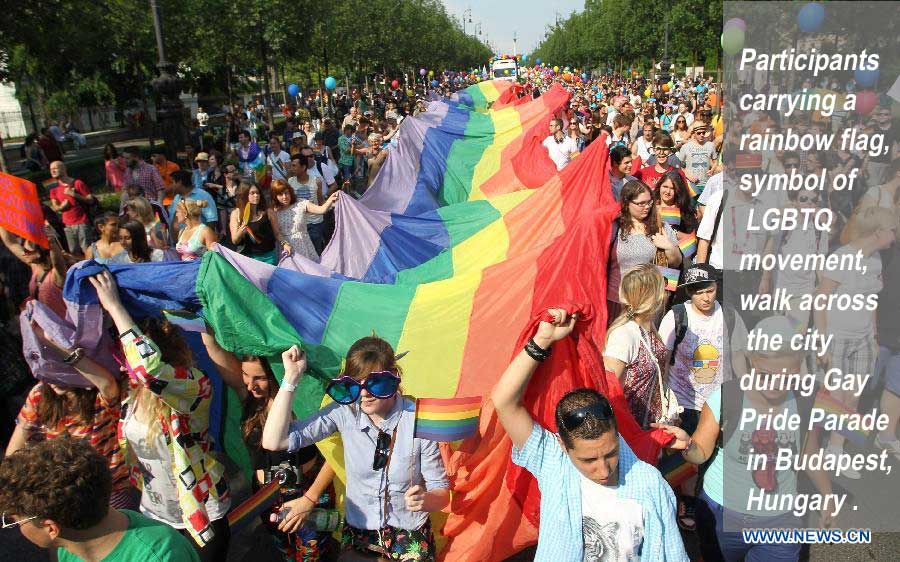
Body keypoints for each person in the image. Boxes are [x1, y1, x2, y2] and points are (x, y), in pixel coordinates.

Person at [491, 307, 688, 561]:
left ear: (618, 435)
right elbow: (504, 401)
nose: (604, 470)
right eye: (588, 460)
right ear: (563, 445)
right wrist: (542, 340)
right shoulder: (552, 462)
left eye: (610, 454)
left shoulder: (649, 483)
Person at [654, 316, 837, 562]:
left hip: (780, 519)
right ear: (752, 360)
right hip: (721, 514)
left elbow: (808, 452)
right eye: (765, 374)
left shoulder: (805, 400)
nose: (775, 384)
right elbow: (701, 452)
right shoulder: (727, 397)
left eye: (786, 375)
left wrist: (827, 495)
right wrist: (687, 443)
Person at [262, 337, 451, 561]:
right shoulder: (346, 411)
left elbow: (441, 493)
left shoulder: (418, 419)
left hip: (409, 536)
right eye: (354, 385)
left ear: (394, 378)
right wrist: (291, 378)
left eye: (374, 384)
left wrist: (426, 500)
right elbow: (275, 442)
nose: (363, 394)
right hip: (360, 534)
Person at [88, 271, 232, 560]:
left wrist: (115, 307)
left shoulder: (196, 387)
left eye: (124, 347)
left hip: (200, 515)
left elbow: (149, 370)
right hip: (154, 515)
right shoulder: (131, 393)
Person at [201, 341, 339, 561]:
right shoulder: (250, 399)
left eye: (260, 378)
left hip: (306, 493)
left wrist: (309, 499)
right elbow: (215, 350)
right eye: (246, 375)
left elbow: (336, 455)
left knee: (312, 557)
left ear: (275, 375)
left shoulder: (302, 404)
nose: (250, 385)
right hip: (267, 497)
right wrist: (203, 320)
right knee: (285, 552)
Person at [0, 438, 199, 562]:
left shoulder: (161, 555)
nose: (15, 526)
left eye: (13, 520)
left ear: (51, 528)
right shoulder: (67, 548)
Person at [814, 206, 895, 477]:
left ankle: (836, 449)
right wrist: (822, 340)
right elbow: (821, 300)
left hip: (863, 339)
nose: (894, 236)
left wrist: (873, 336)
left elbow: (871, 300)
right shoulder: (842, 258)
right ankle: (814, 449)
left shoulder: (875, 260)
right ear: (878, 232)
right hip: (837, 337)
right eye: (892, 230)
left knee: (854, 394)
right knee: (835, 396)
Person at [604, 264, 674, 430]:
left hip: (649, 432)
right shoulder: (623, 335)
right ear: (651, 296)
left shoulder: (649, 329)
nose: (665, 294)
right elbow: (607, 392)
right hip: (629, 436)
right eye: (662, 289)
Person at [607, 181, 681, 319]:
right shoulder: (615, 227)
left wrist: (669, 246)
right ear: (626, 203)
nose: (646, 207)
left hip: (649, 303)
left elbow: (676, 263)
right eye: (641, 203)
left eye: (649, 202)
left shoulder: (660, 226)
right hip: (618, 301)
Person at [271, 179, 338, 262]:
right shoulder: (273, 211)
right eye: (280, 194)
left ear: (290, 192)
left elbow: (321, 210)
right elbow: (277, 233)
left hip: (304, 247)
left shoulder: (300, 203)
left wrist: (330, 200)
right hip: (287, 250)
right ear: (275, 196)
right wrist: (284, 244)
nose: (284, 197)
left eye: (286, 193)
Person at [47, 160, 95, 257]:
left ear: (64, 169)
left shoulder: (77, 183)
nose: (53, 171)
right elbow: (55, 207)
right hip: (67, 224)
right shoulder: (52, 187)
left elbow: (90, 200)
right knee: (73, 251)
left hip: (82, 222)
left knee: (87, 249)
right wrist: (62, 207)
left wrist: (74, 195)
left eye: (55, 168)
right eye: (51, 169)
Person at [230, 181, 278, 264]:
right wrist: (240, 232)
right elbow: (234, 240)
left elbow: (277, 234)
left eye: (257, 193)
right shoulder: (236, 214)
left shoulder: (268, 212)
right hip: (249, 259)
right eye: (252, 193)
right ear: (244, 195)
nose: (256, 196)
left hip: (269, 257)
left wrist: (285, 243)